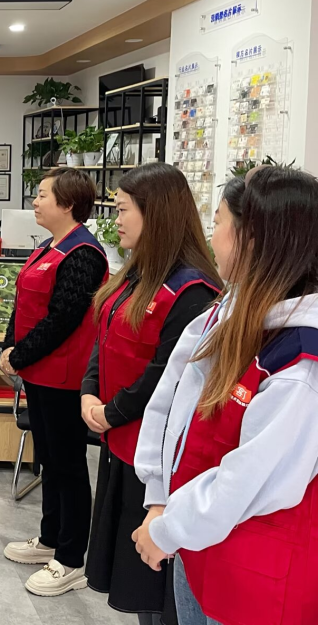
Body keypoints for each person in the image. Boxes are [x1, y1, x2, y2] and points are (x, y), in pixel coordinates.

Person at [133, 169, 318, 625]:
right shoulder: (231, 312)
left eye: (217, 222)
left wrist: (169, 527)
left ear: (250, 240)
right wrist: (159, 496)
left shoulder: (300, 362)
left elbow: (248, 479)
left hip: (253, 575)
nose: (211, 236)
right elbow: (172, 403)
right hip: (200, 546)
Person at [82, 163, 222, 625]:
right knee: (133, 577)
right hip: (120, 446)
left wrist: (113, 411)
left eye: (123, 209)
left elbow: (167, 377)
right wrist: (89, 393)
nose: (116, 220)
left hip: (156, 460)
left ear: (156, 213)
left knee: (156, 588)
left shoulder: (193, 291)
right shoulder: (134, 273)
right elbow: (104, 336)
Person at [0, 168, 108, 596]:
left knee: (68, 465)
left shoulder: (84, 254)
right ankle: (49, 538)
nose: (35, 201)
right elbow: (25, 302)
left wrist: (20, 354)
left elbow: (63, 319)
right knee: (48, 459)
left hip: (63, 378)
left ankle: (71, 557)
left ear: (67, 204)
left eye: (43, 195)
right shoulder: (49, 245)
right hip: (38, 373)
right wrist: (10, 345)